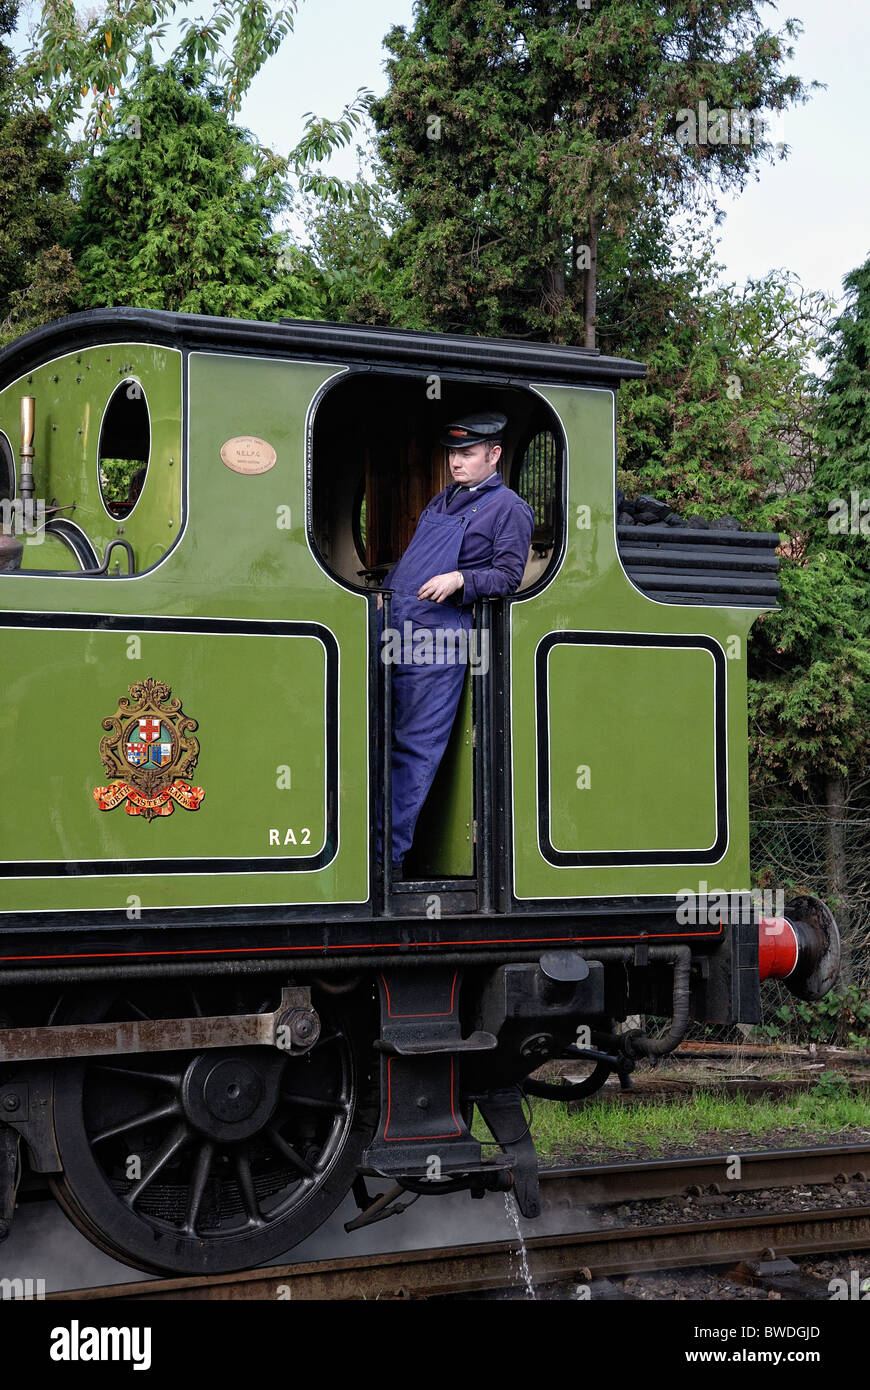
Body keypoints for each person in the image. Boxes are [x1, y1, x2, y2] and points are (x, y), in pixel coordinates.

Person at [380, 411, 534, 877]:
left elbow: (508, 577)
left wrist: (460, 578)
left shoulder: (510, 508)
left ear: (494, 454)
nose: (455, 462)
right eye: (452, 453)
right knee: (377, 740)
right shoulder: (442, 501)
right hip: (397, 626)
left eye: (466, 454)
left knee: (413, 749)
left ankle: (386, 863)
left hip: (440, 640)